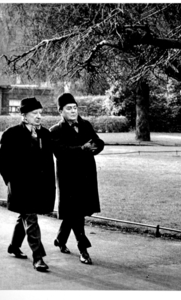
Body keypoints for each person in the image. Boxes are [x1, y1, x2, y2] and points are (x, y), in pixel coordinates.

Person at [0, 97, 56, 272]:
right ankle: (38, 258)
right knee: (30, 218)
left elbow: (48, 162)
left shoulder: (45, 134)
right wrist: (11, 182)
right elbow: (2, 163)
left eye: (40, 113)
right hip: (20, 186)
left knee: (25, 215)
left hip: (39, 187)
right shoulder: (11, 134)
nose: (39, 117)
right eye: (34, 113)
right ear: (24, 115)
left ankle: (14, 246)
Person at [50, 93, 104, 265]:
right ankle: (83, 248)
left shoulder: (85, 124)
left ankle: (60, 239)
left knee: (74, 211)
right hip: (68, 177)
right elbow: (61, 152)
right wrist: (82, 149)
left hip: (86, 175)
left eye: (75, 108)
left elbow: (97, 141)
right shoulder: (55, 131)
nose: (73, 111)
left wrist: (96, 146)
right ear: (61, 111)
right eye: (69, 108)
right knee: (76, 211)